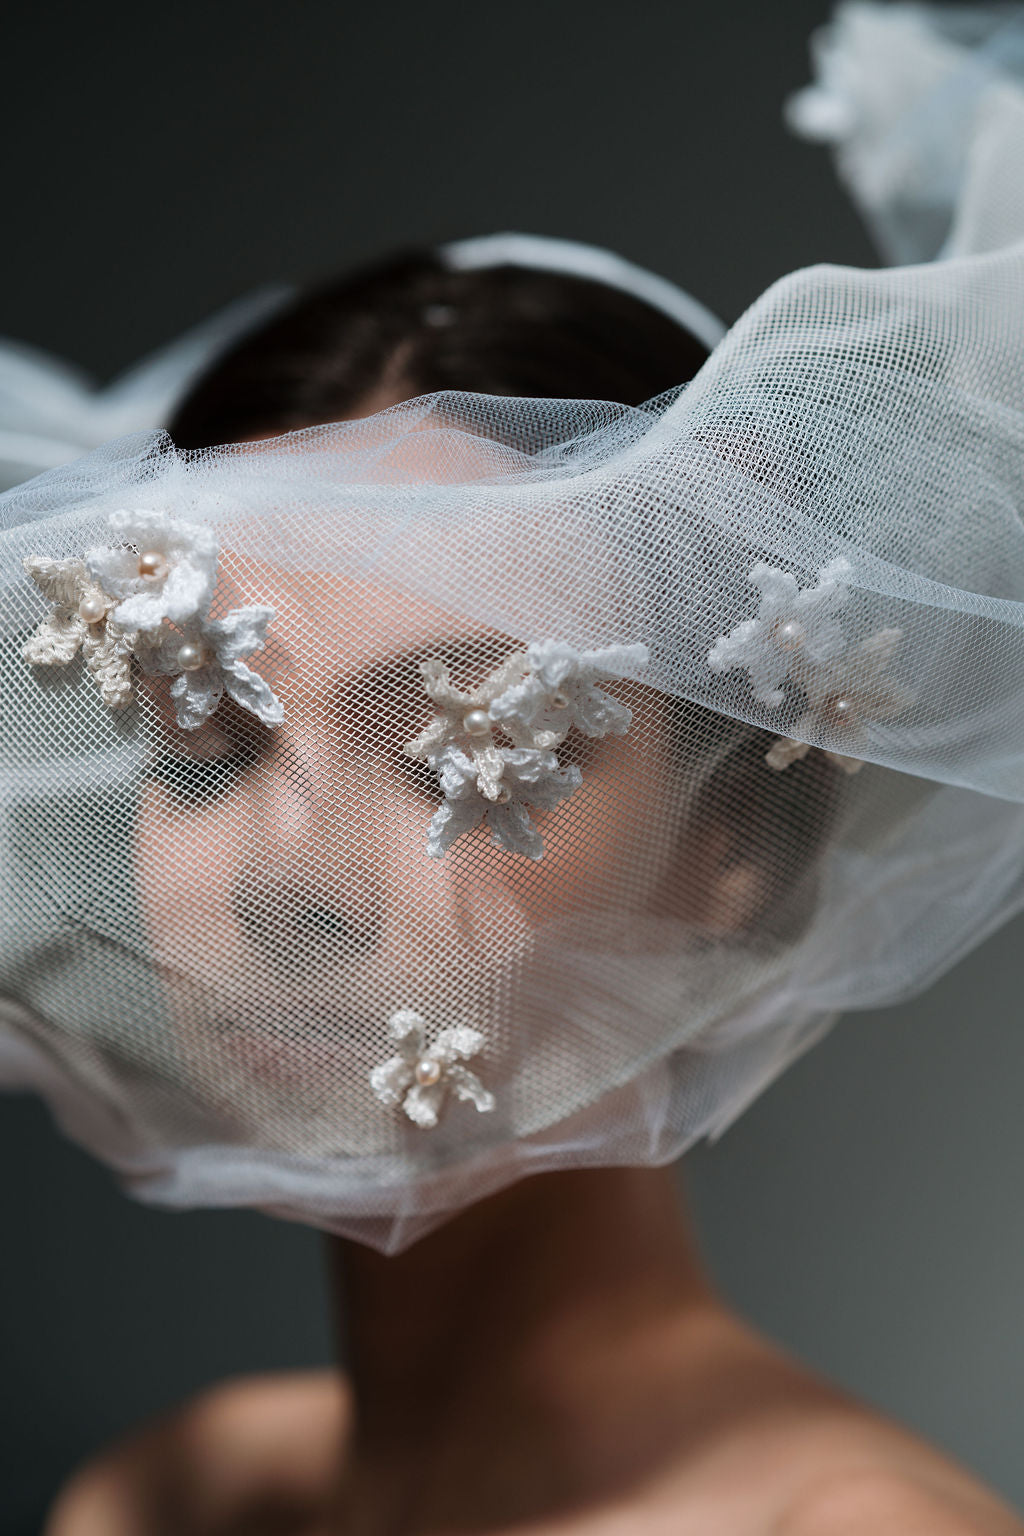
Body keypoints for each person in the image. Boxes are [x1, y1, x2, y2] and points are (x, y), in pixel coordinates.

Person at [2, 5, 1023, 1531]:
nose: (290, 878)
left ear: (733, 833)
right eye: (205, 746)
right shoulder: (169, 1498)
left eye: (451, 747)